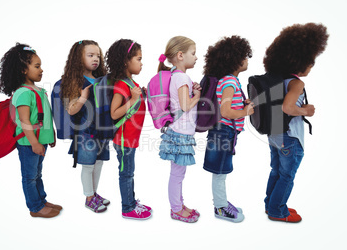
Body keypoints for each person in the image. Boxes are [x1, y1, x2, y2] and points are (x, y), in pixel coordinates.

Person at [263, 23, 328, 223]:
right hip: (290, 137)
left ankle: (271, 204)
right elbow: (287, 108)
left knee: (276, 171)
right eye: (311, 61)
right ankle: (278, 211)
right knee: (287, 175)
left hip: (274, 133)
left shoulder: (277, 80)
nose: (312, 65)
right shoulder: (296, 83)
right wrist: (305, 111)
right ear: (299, 61)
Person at [0, 43, 61, 218]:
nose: (41, 70)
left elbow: (45, 116)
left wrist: (51, 134)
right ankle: (35, 207)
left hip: (41, 141)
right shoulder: (23, 93)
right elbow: (24, 121)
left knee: (37, 174)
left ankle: (41, 200)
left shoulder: (38, 90)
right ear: (23, 70)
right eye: (37, 66)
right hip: (29, 143)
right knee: (30, 176)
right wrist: (34, 143)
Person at [203, 36, 254, 223]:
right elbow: (225, 111)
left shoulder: (229, 81)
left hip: (223, 132)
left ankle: (221, 202)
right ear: (236, 60)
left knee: (221, 171)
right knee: (220, 172)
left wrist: (242, 103)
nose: (247, 60)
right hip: (224, 131)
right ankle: (220, 207)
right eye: (245, 56)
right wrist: (245, 111)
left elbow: (227, 104)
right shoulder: (230, 82)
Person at [60, 40, 110, 213]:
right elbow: (71, 110)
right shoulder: (75, 81)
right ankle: (89, 198)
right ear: (78, 58)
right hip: (85, 132)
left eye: (98, 55)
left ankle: (94, 193)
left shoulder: (101, 79)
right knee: (88, 165)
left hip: (102, 130)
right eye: (90, 55)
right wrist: (83, 97)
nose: (95, 59)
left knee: (99, 164)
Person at [107, 39, 152, 220]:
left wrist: (141, 97)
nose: (142, 63)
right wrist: (133, 100)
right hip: (124, 141)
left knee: (129, 173)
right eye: (139, 59)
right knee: (126, 174)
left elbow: (133, 109)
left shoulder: (130, 83)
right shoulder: (121, 85)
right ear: (126, 61)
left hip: (131, 139)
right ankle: (127, 208)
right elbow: (114, 113)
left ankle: (132, 202)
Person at [158, 36, 202, 223]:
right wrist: (198, 95)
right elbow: (185, 105)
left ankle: (179, 204)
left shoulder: (176, 76)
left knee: (178, 173)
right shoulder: (182, 76)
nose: (196, 57)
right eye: (193, 53)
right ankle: (176, 209)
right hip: (180, 133)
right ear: (181, 55)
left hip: (177, 131)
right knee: (177, 174)